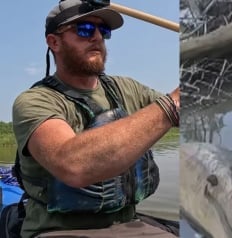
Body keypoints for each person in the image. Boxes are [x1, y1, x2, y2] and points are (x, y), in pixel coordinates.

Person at [10, 0, 179, 237]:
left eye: (104, 30)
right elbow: (73, 166)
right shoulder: (34, 101)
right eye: (85, 29)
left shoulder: (128, 89)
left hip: (130, 225)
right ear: (54, 42)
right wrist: (172, 105)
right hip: (60, 231)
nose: (97, 37)